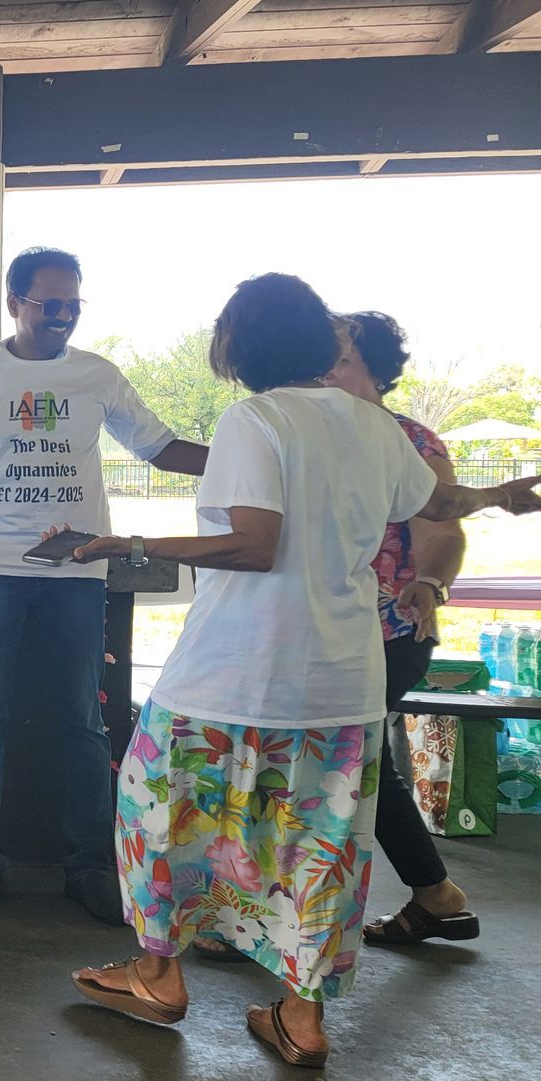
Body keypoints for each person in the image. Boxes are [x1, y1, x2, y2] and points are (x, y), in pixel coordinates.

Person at [66, 273, 540, 1068]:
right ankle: (301, 1019)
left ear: (238, 347)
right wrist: (503, 495)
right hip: (338, 683)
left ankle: (157, 973)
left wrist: (128, 544)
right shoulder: (374, 424)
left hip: (231, 674)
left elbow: (255, 545)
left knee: (151, 807)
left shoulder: (256, 419)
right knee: (320, 847)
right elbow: (436, 502)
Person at [0, 247, 209, 924]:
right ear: (14, 303)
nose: (60, 318)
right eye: (47, 305)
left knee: (84, 722)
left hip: (77, 573)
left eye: (72, 306)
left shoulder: (96, 376)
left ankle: (89, 867)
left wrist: (251, 454)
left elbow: (161, 448)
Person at [325, 313, 480, 945]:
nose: (324, 374)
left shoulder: (410, 441)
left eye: (339, 362)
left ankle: (274, 914)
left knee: (343, 760)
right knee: (352, 761)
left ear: (376, 374)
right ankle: (436, 896)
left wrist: (431, 584)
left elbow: (443, 528)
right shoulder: (314, 431)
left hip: (389, 633)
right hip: (324, 629)